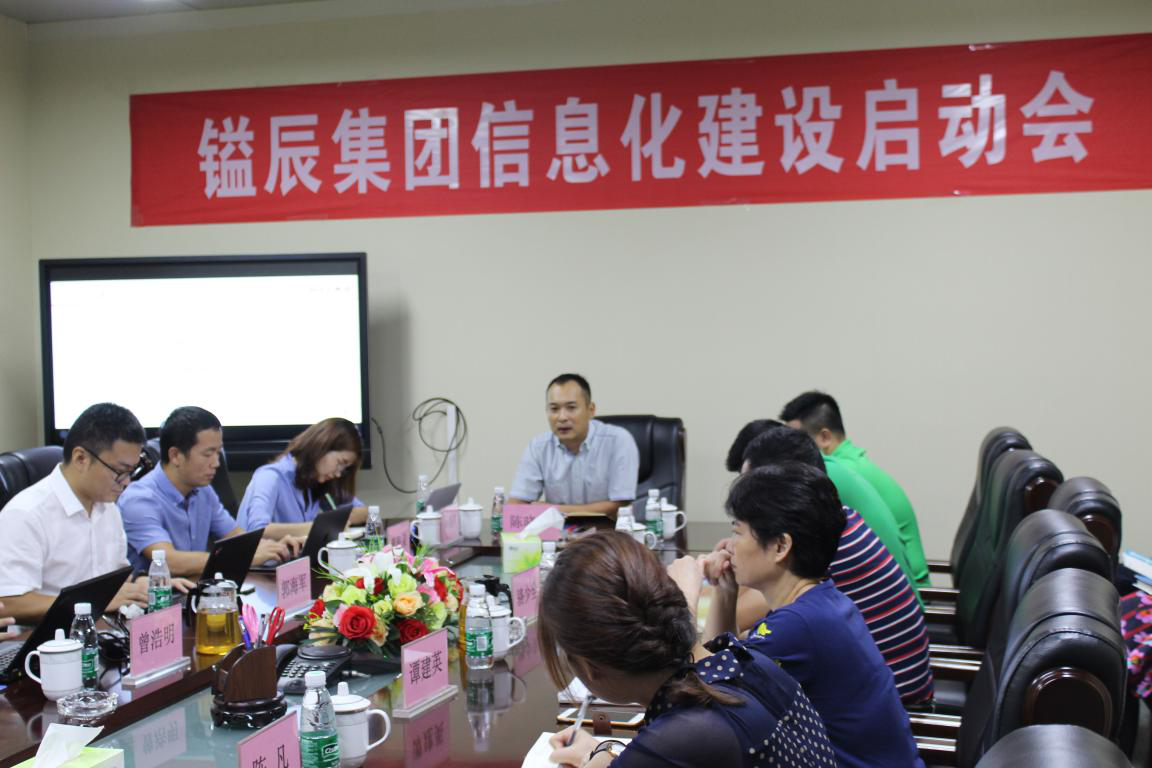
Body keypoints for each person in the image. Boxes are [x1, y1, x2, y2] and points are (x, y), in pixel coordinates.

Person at [668, 465, 924, 768]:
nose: (729, 547)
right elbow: (719, 671)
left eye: (737, 532)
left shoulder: (798, 627)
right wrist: (726, 591)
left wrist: (683, 597)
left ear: (780, 546)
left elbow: (701, 694)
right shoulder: (821, 601)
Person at [542, 531, 838, 768]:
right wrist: (600, 752)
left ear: (589, 666)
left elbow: (672, 748)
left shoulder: (685, 733)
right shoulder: (743, 661)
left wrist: (597, 758)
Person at [735, 426, 934, 705]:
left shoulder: (817, 549)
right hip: (882, 695)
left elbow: (737, 622)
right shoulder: (837, 522)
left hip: (904, 703)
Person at [0, 403, 192, 625]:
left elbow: (112, 580)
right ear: (81, 458)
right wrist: (93, 602)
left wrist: (141, 585)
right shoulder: (26, 514)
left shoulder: (107, 506)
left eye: (132, 471)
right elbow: (10, 602)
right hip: (47, 640)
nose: (127, 482)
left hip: (103, 630)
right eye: (119, 471)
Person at [726, 419, 919, 598]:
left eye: (751, 487)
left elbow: (742, 613)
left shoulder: (817, 532)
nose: (746, 500)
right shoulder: (828, 503)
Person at [119, 406, 297, 578]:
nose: (216, 463)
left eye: (218, 453)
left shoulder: (203, 491)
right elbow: (169, 561)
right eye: (208, 454)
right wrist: (244, 557)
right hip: (157, 596)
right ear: (175, 456)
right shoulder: (139, 499)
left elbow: (238, 539)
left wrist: (274, 547)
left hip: (194, 590)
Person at [781, 391, 931, 587]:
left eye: (798, 440)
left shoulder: (835, 472)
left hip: (907, 590)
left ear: (824, 437)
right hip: (902, 586)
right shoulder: (852, 465)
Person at [509, 373, 639, 518]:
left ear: (591, 410)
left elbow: (620, 505)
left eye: (571, 408)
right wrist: (515, 511)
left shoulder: (618, 441)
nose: (562, 417)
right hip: (557, 531)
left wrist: (555, 509)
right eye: (554, 409)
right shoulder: (538, 447)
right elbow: (516, 505)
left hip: (608, 530)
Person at [236, 418, 366, 538]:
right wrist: (318, 527)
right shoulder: (269, 477)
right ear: (322, 446)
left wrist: (338, 520)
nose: (338, 474)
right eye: (340, 463)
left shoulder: (316, 482)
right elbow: (257, 530)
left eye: (344, 469)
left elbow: (362, 511)